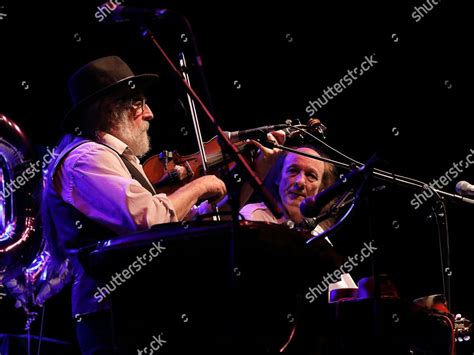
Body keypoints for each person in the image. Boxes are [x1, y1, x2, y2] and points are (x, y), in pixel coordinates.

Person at [41, 55, 227, 354]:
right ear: (110, 108)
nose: (150, 113)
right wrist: (201, 185)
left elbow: (152, 232)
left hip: (131, 312)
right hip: (113, 318)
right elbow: (149, 220)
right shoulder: (86, 158)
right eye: (139, 102)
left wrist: (202, 210)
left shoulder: (112, 156)